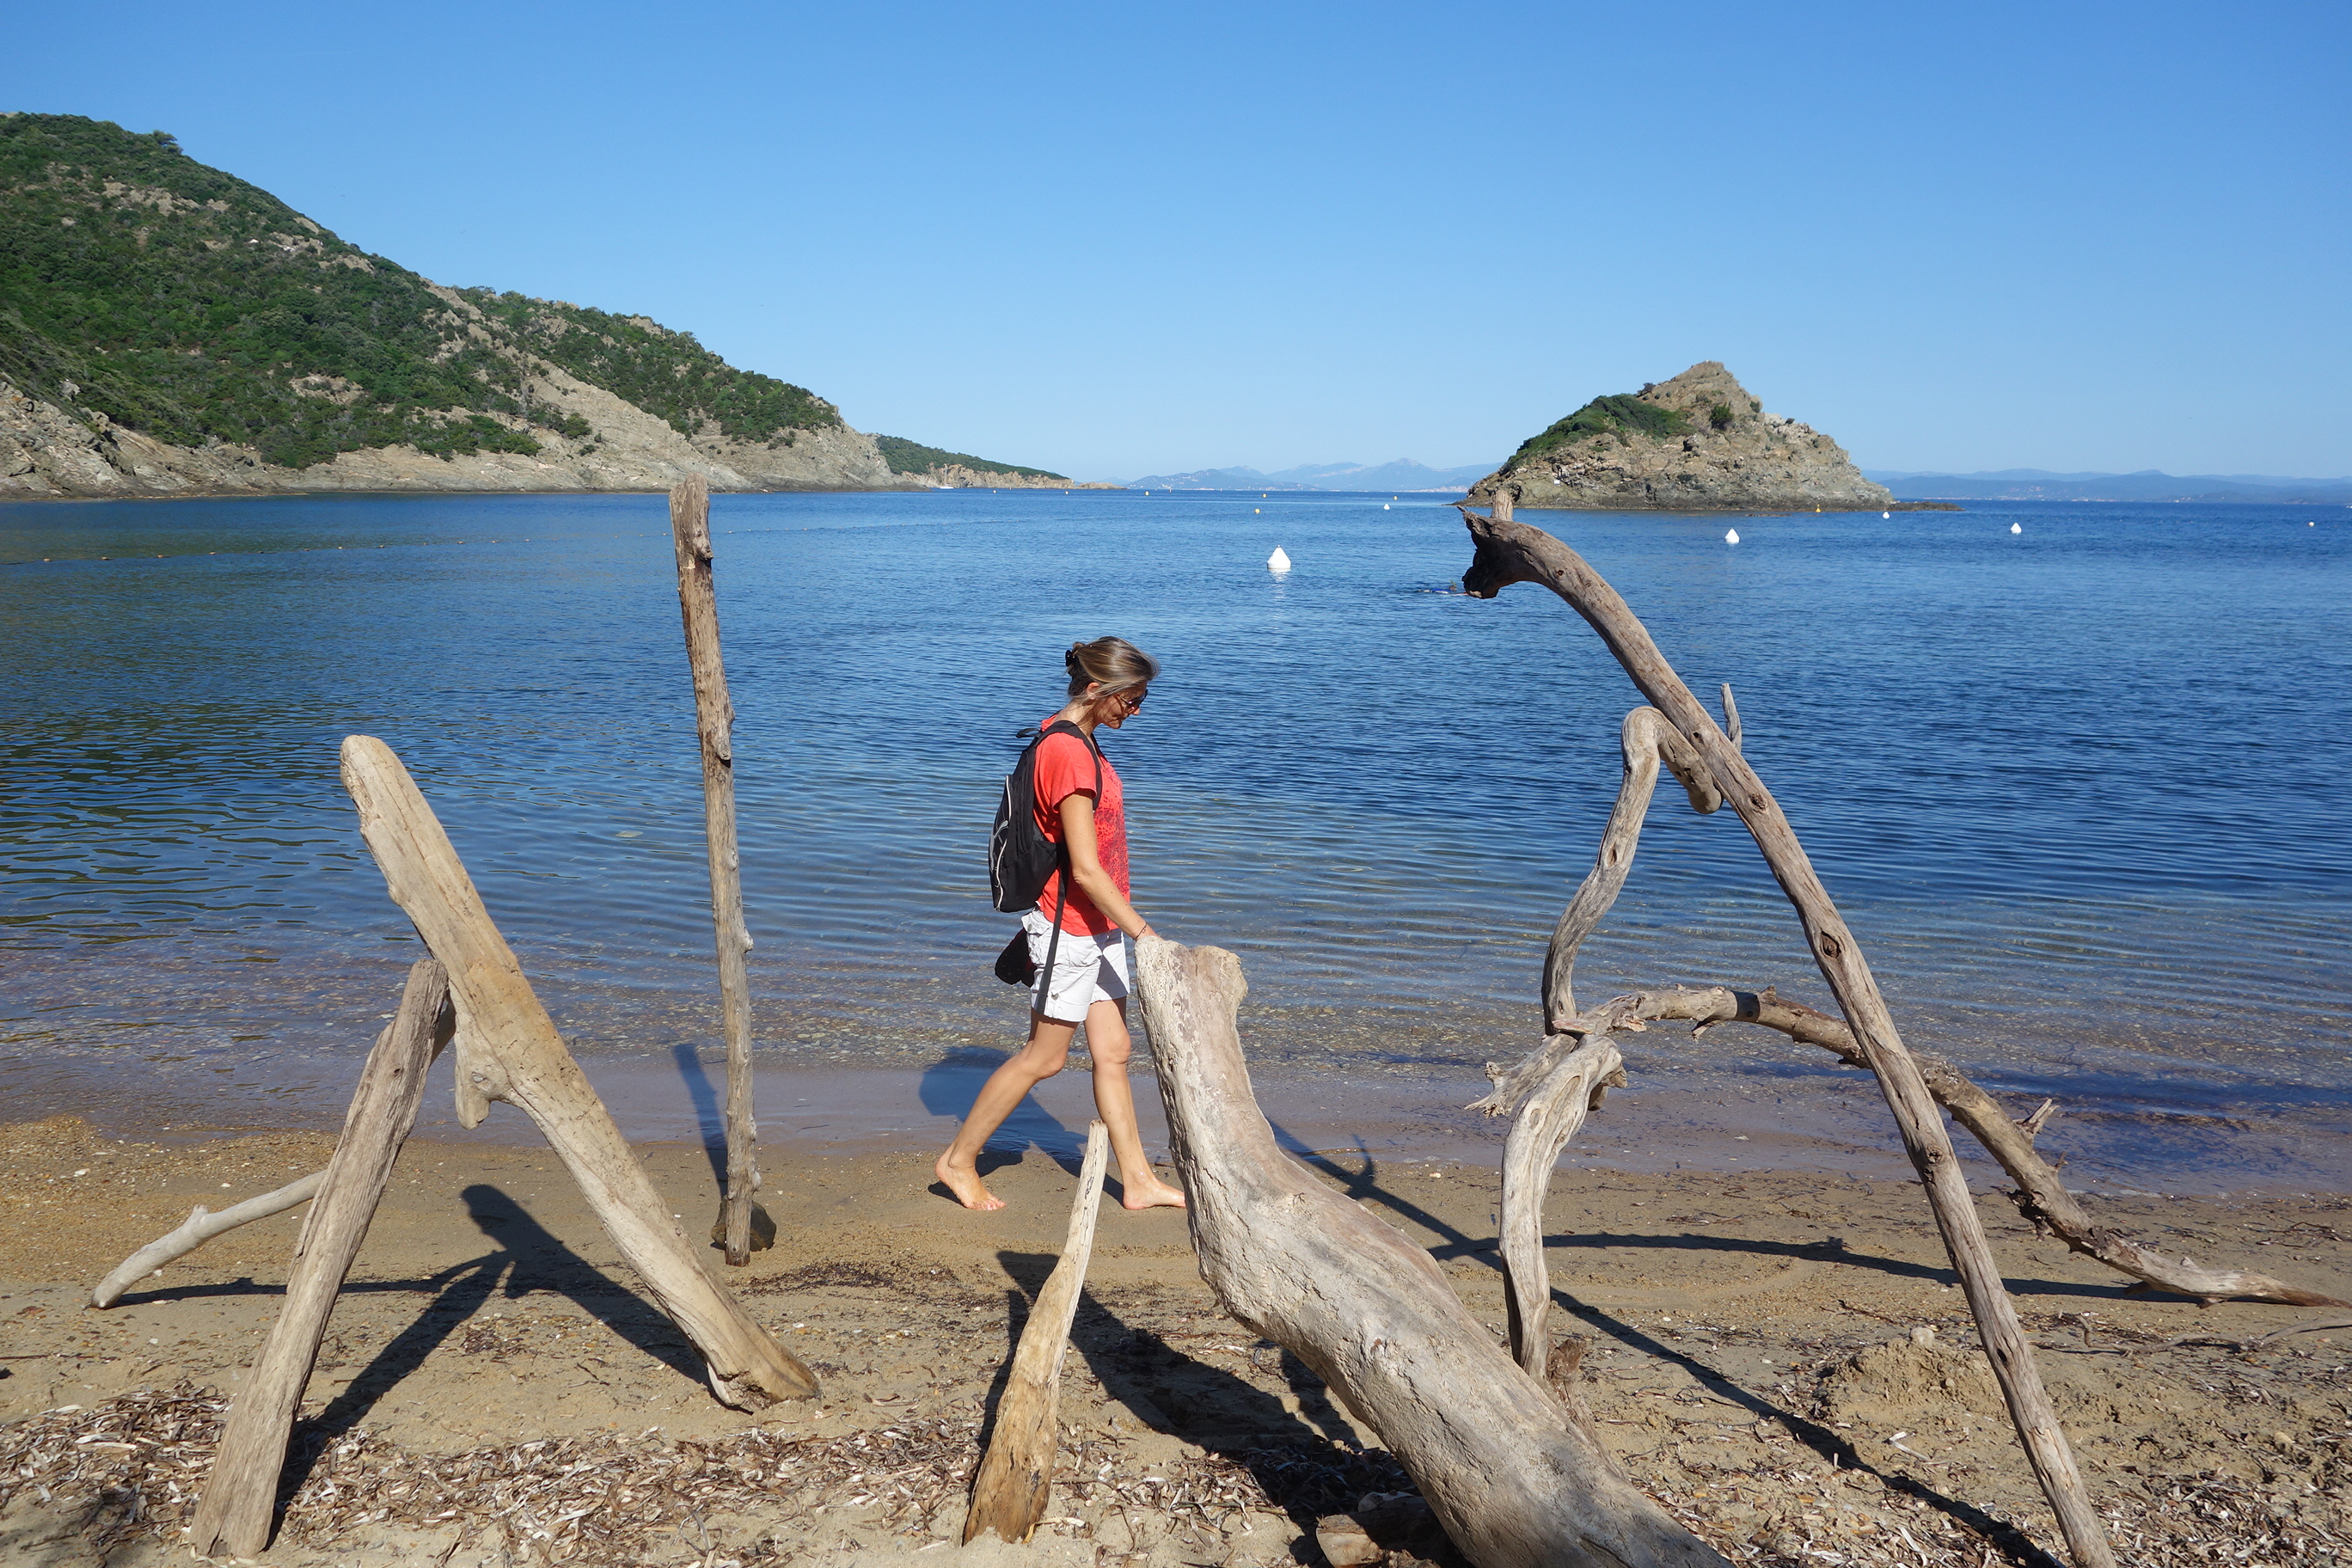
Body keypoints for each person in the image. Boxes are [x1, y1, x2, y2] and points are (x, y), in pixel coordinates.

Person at [934, 638, 1188, 1213]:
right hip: (1070, 923)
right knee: (1045, 1057)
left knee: (1114, 1051)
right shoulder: (1068, 753)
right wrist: (1150, 936)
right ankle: (957, 1160)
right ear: (1098, 689)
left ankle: (1139, 1182)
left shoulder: (1072, 736)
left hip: (1097, 925)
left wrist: (1120, 929)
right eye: (1132, 699)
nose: (1137, 712)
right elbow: (1086, 871)